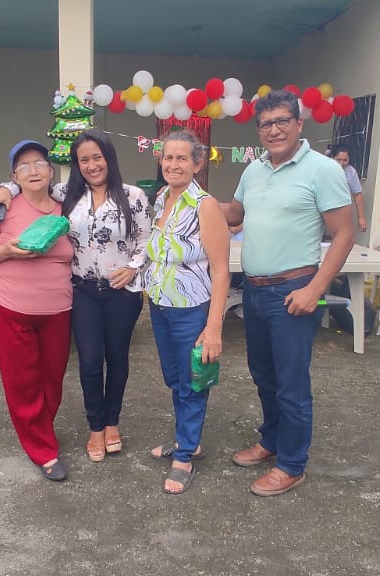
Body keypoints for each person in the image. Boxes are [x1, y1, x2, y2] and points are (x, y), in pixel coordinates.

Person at [0, 129, 151, 463]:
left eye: (97, 157)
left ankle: (112, 423)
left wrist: (133, 267)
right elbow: (31, 181)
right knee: (89, 361)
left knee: (117, 358)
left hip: (122, 292)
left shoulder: (133, 196)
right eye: (84, 160)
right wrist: (6, 188)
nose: (92, 165)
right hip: (82, 292)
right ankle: (96, 428)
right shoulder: (67, 194)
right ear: (76, 164)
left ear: (109, 158)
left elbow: (148, 239)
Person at [217, 89, 355, 497]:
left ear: (299, 123)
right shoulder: (254, 170)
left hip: (295, 290)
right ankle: (272, 441)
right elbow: (235, 215)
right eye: (266, 124)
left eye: (281, 121)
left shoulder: (322, 170)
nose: (274, 130)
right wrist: (192, 192)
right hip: (254, 290)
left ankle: (292, 464)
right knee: (264, 375)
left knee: (291, 383)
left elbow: (345, 234)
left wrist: (315, 289)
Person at [0, 140, 75, 482]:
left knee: (52, 379)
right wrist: (7, 252)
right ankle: (43, 450)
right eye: (24, 166)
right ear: (14, 176)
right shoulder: (3, 207)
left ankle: (40, 430)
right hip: (12, 306)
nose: (33, 171)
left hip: (58, 308)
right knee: (22, 381)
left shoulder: (67, 207)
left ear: (51, 170)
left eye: (39, 163)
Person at [142, 130, 230, 494]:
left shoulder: (204, 205)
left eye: (182, 158)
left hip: (192, 309)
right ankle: (187, 440)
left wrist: (213, 328)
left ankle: (184, 458)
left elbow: (221, 271)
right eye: (168, 157)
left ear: (197, 164)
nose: (173, 164)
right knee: (175, 378)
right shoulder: (162, 197)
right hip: (160, 305)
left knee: (193, 380)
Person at [328, 145, 368, 233]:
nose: (341, 163)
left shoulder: (351, 172)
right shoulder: (324, 168)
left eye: (345, 160)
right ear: (333, 157)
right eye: (338, 160)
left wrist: (361, 217)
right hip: (322, 207)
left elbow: (357, 194)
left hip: (341, 209)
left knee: (343, 235)